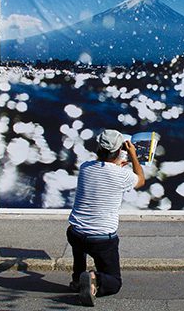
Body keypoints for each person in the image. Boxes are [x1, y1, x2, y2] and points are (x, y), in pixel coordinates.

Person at [66, 129, 145, 306]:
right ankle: (93, 278)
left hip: (76, 234)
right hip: (101, 240)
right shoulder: (122, 175)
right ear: (119, 151)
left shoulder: (85, 168)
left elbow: (102, 173)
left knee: (78, 240)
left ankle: (77, 280)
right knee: (114, 282)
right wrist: (133, 156)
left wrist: (116, 165)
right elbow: (140, 180)